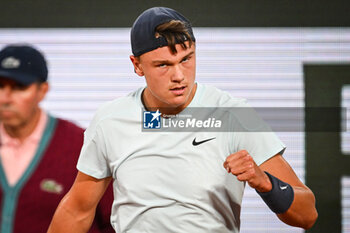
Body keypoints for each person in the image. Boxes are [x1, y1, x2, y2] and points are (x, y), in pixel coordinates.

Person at [48, 7, 318, 233]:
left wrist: (266, 183)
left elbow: (307, 214)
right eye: (163, 65)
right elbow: (77, 210)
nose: (179, 76)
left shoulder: (233, 115)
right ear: (137, 65)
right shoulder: (110, 121)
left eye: (186, 59)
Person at [0, 44, 114, 233]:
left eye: (20, 87)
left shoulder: (81, 146)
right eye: (0, 86)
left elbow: (114, 222)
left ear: (42, 90)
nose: (6, 98)